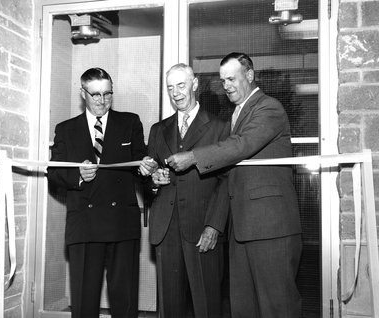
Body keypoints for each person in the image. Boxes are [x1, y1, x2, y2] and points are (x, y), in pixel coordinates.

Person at [166, 53, 302, 318]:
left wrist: (194, 157)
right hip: (242, 227)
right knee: (243, 308)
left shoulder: (268, 108)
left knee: (277, 307)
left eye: (231, 78)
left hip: (270, 228)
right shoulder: (236, 114)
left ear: (249, 76)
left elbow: (241, 146)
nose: (225, 85)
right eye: (222, 80)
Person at [48, 67, 149, 318]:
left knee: (125, 304)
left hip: (121, 225)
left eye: (107, 93)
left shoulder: (130, 122)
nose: (102, 100)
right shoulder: (66, 129)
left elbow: (140, 164)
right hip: (84, 225)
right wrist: (78, 177)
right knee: (83, 304)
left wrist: (148, 167)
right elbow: (53, 175)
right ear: (83, 93)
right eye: (95, 94)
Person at [139, 63, 228, 318]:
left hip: (202, 230)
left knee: (207, 307)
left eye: (181, 85)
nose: (176, 93)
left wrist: (214, 226)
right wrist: (154, 179)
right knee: (169, 309)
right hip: (166, 230)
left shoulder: (219, 127)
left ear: (195, 84)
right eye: (170, 87)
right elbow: (147, 180)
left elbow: (226, 181)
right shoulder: (158, 130)